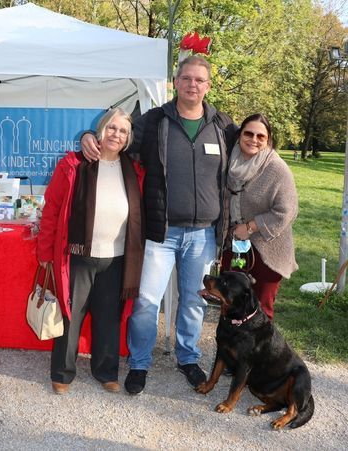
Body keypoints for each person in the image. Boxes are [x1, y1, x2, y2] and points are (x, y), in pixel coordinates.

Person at [81, 56, 236, 395]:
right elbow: (116, 135)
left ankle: (188, 358)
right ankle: (139, 364)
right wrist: (87, 136)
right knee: (147, 301)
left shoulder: (223, 126)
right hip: (160, 233)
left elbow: (255, 148)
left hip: (203, 234)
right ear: (175, 82)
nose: (192, 85)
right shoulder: (154, 122)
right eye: (186, 78)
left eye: (199, 80)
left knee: (194, 301)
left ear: (208, 86)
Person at [37, 108, 145, 395]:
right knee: (71, 314)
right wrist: (45, 252)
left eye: (122, 131)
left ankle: (106, 371)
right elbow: (52, 209)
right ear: (99, 130)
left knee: (109, 317)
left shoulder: (133, 169)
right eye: (111, 128)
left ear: (128, 138)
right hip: (78, 255)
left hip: (117, 257)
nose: (116, 134)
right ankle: (62, 372)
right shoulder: (73, 164)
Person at [221, 113, 298, 321]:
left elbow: (287, 211)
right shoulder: (227, 160)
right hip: (234, 246)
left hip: (267, 248)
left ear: (268, 140)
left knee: (260, 313)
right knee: (231, 306)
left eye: (260, 136)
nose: (253, 140)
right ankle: (231, 352)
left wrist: (251, 227)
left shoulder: (276, 168)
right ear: (239, 135)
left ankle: (260, 354)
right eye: (248, 133)